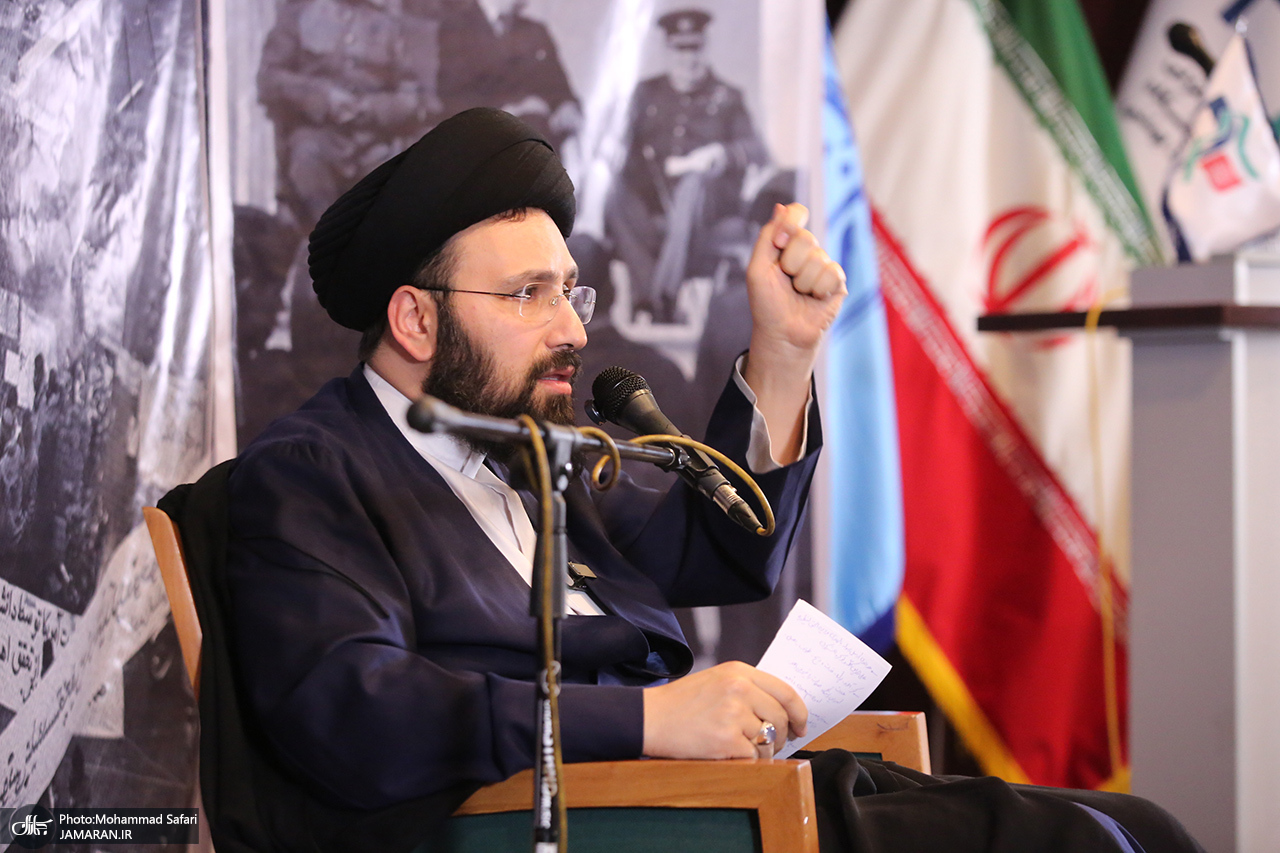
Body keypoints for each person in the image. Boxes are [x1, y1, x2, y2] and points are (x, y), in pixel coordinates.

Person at [213, 108, 1203, 853]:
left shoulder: (532, 452)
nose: (572, 328)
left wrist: (783, 351)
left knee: (1143, 826)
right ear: (416, 320)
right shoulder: (311, 475)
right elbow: (354, 712)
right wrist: (650, 718)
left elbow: (726, 545)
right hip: (551, 820)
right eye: (527, 295)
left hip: (675, 796)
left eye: (569, 291)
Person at [606, 8, 768, 323]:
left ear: (705, 47)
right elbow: (620, 145)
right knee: (614, 193)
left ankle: (660, 298)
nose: (688, 58)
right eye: (680, 48)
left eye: (695, 47)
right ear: (666, 50)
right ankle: (649, 299)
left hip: (708, 208)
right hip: (653, 205)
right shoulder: (645, 93)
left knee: (694, 183)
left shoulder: (728, 96)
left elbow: (758, 151)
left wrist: (721, 153)